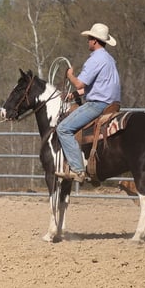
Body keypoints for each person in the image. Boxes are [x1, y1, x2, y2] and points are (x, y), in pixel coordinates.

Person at [55, 23, 121, 183]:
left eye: (90, 38)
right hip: (112, 103)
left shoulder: (95, 59)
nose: (88, 41)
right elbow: (98, 86)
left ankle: (78, 170)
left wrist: (70, 75)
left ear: (95, 41)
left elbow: (79, 84)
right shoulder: (109, 59)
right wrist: (75, 94)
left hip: (98, 104)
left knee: (63, 129)